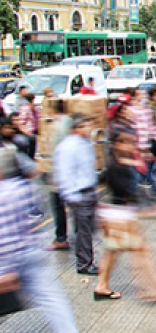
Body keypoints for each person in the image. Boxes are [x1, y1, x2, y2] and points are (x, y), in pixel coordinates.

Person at [94, 129, 156, 303]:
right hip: (119, 218)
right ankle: (155, 290)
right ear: (117, 144)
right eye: (127, 142)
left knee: (112, 253)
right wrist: (151, 210)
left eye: (132, 142)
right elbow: (126, 194)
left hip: (113, 216)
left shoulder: (120, 164)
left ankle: (102, 286)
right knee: (141, 252)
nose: (132, 145)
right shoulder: (117, 167)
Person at [0, 164, 79, 333]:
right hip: (33, 252)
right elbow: (37, 215)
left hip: (7, 258)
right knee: (53, 299)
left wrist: (5, 269)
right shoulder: (22, 187)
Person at [53, 114, 100, 275]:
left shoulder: (86, 143)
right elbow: (64, 173)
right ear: (76, 128)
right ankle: (84, 264)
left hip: (89, 190)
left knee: (87, 229)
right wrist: (72, 196)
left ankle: (86, 259)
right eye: (85, 126)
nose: (89, 129)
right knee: (83, 231)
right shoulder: (68, 146)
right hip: (79, 194)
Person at [43, 100, 74, 251]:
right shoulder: (71, 122)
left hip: (60, 174)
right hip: (72, 173)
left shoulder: (56, 126)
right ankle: (78, 234)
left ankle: (61, 238)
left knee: (58, 205)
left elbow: (54, 152)